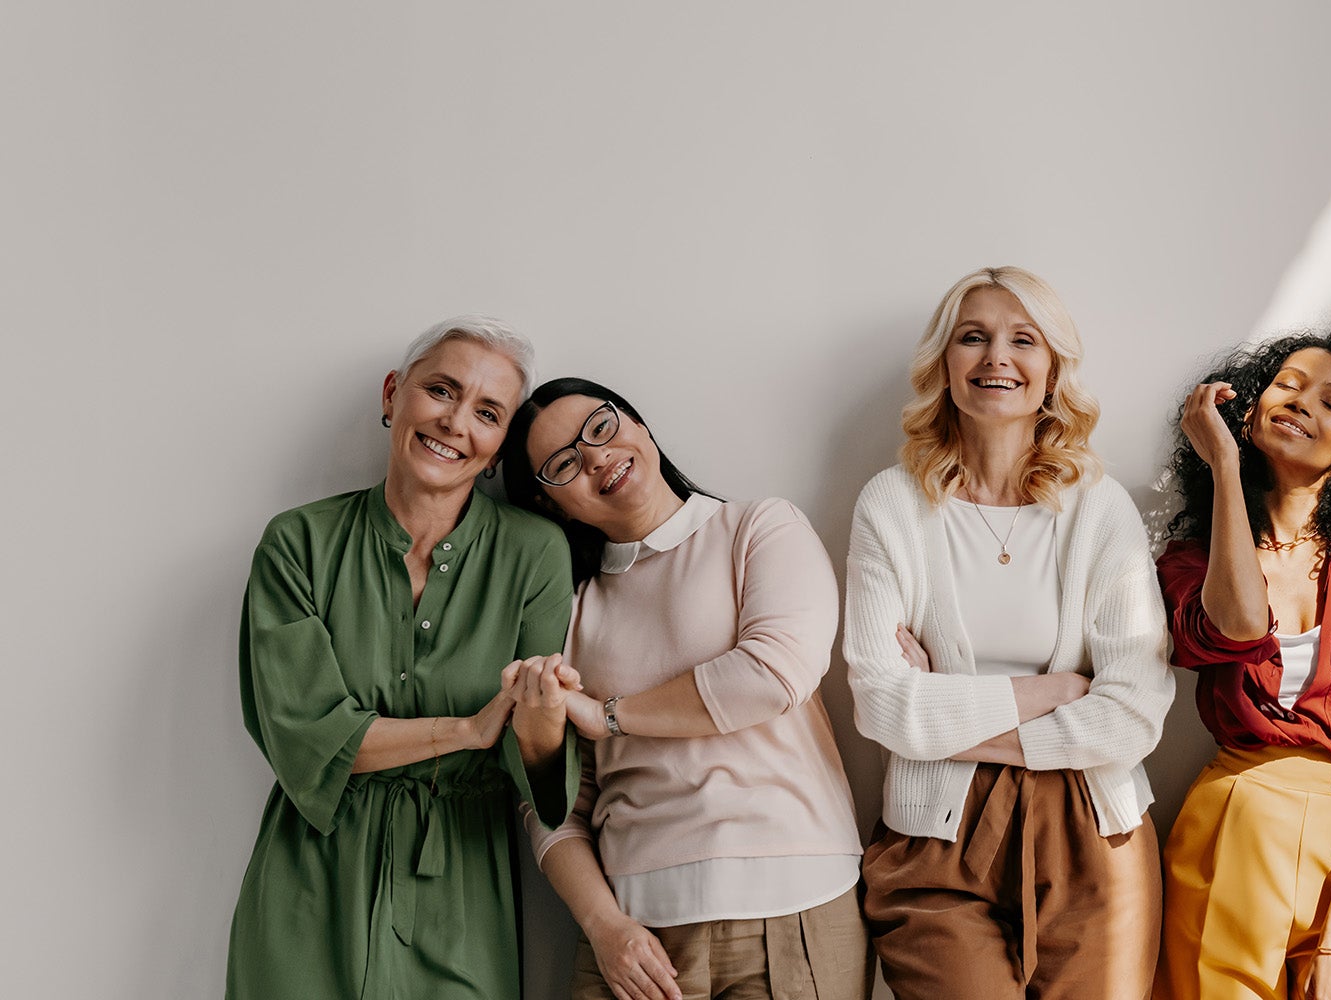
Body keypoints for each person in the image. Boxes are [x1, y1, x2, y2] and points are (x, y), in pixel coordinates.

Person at [223, 316, 582, 1000]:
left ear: (500, 440)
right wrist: (469, 730)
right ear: (394, 395)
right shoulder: (298, 544)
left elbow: (536, 764)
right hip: (311, 873)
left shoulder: (535, 553)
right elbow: (310, 735)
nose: (454, 423)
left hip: (460, 884)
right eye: (440, 390)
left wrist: (542, 713)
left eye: (486, 412)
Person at [842, 266, 1175, 999]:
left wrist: (941, 710)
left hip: (1096, 829)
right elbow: (880, 705)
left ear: (1051, 370)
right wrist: (1052, 690)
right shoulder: (892, 505)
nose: (998, 357)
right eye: (974, 337)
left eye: (1023, 339)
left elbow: (1133, 713)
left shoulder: (1100, 509)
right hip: (935, 839)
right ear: (945, 366)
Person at [502, 377, 870, 1000]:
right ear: (550, 504)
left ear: (640, 426)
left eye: (601, 425)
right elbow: (549, 800)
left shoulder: (758, 528)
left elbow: (773, 674)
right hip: (632, 940)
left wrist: (609, 716)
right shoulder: (567, 610)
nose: (594, 456)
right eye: (563, 463)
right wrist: (604, 925)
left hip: (794, 903)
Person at [1152, 331, 1331, 1000]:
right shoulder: (1190, 561)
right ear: (1248, 413)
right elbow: (1236, 624)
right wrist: (1227, 469)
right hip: (1236, 829)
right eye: (1285, 385)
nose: (1301, 402)